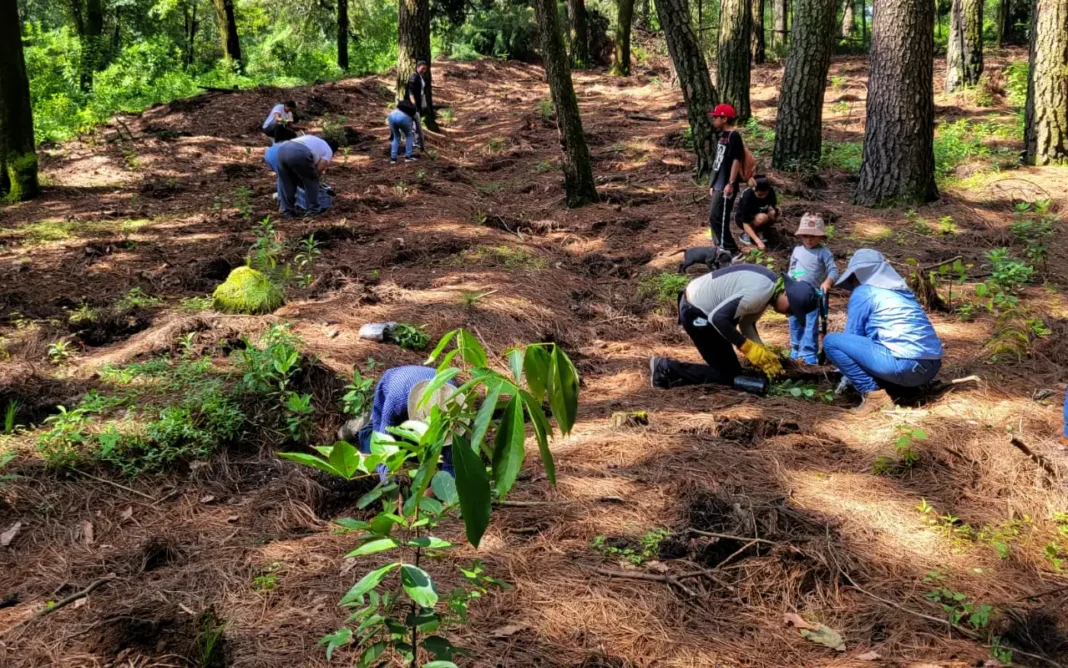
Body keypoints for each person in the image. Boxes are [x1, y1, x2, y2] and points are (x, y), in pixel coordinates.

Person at [649, 264, 820, 389]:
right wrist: (745, 346)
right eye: (791, 310)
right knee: (727, 375)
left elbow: (747, 323)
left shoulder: (769, 289)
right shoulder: (760, 291)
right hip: (696, 312)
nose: (788, 314)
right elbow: (718, 318)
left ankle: (672, 370)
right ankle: (666, 368)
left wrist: (761, 352)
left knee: (732, 370)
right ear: (787, 295)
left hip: (705, 312)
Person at [823, 249, 944, 414]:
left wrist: (847, 377)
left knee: (832, 342)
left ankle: (874, 396)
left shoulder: (864, 292)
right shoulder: (901, 292)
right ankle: (907, 390)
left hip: (904, 365)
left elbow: (853, 336)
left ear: (858, 274)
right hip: (930, 367)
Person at [339, 366, 461, 479]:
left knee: (419, 454)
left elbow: (452, 465)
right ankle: (364, 427)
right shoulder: (397, 400)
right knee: (376, 448)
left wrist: (432, 490)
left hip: (422, 384)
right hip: (391, 388)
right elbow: (383, 447)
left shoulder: (454, 406)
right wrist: (392, 487)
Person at [788, 213, 839, 364]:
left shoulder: (823, 252)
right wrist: (791, 281)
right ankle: (796, 348)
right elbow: (792, 269)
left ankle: (809, 351)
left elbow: (833, 270)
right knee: (794, 320)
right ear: (800, 236)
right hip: (796, 292)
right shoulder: (797, 250)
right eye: (805, 236)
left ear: (820, 237)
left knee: (810, 323)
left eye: (813, 236)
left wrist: (828, 282)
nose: (809, 240)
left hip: (813, 294)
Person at [708, 104, 746, 255]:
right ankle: (718, 248)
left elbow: (736, 160)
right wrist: (712, 183)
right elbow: (719, 161)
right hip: (718, 182)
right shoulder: (722, 136)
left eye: (716, 117)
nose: (714, 120)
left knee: (718, 217)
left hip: (726, 184)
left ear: (724, 118)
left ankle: (732, 251)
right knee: (714, 216)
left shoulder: (734, 136)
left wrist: (731, 183)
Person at [273, 135, 337, 218]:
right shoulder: (328, 150)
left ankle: (287, 211)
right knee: (312, 180)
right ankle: (313, 210)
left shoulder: (312, 139)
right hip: (299, 152)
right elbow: (318, 170)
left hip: (282, 150)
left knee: (286, 182)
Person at [735, 176, 780, 249]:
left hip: (760, 212)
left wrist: (773, 211)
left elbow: (773, 206)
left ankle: (760, 231)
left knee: (774, 213)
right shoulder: (748, 196)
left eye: (765, 194)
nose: (763, 197)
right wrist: (758, 241)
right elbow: (745, 223)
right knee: (762, 218)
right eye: (760, 195)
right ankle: (746, 234)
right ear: (754, 190)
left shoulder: (771, 192)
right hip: (743, 220)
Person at [405, 60, 430, 151]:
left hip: (418, 103)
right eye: (423, 68)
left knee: (416, 124)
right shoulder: (414, 76)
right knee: (413, 124)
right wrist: (413, 103)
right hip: (412, 104)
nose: (424, 70)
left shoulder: (419, 77)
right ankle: (413, 144)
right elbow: (410, 90)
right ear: (418, 67)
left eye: (425, 69)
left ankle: (416, 143)